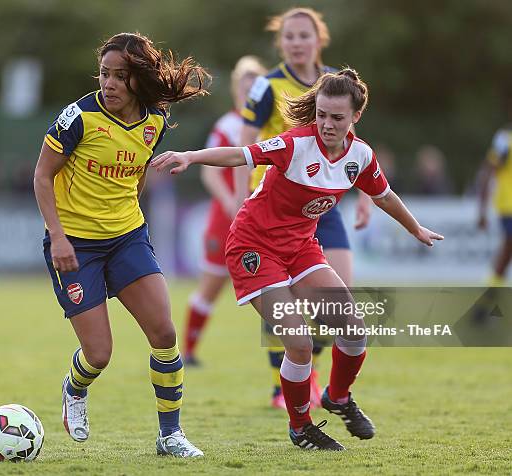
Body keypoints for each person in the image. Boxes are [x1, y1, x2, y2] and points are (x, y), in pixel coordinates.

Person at [152, 68, 443, 450]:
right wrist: (191, 156)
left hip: (301, 247)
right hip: (253, 247)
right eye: (321, 114)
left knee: (354, 329)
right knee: (300, 343)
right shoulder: (295, 144)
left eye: (337, 117)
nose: (326, 124)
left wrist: (415, 228)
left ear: (356, 116)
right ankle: (301, 426)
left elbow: (384, 195)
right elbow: (241, 155)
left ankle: (338, 398)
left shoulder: (360, 156)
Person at [33, 32, 210, 457]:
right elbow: (41, 176)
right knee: (99, 354)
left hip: (128, 237)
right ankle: (74, 389)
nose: (108, 83)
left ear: (138, 79)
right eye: (104, 74)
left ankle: (171, 436)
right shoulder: (77, 118)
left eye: (119, 76)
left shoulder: (155, 122)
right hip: (75, 245)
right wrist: (57, 236)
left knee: (164, 332)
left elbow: (135, 173)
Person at [237, 7, 372, 409]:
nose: (296, 43)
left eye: (303, 36)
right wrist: (240, 193)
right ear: (281, 43)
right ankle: (285, 383)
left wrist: (366, 198)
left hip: (323, 204)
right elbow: (245, 140)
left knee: (338, 297)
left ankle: (317, 381)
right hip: (276, 204)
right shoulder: (266, 86)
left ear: (319, 39)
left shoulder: (337, 83)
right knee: (283, 298)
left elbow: (356, 149)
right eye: (289, 37)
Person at [183, 56, 267, 366]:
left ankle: (287, 363)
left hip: (265, 220)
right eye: (243, 88)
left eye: (255, 88)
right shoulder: (228, 126)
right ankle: (187, 353)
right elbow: (209, 172)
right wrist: (233, 201)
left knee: (276, 289)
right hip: (226, 220)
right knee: (211, 285)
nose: (248, 94)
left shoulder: (271, 126)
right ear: (235, 90)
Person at [477, 121, 512, 287]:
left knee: (506, 252)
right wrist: (482, 210)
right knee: (507, 251)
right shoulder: (504, 139)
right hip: (509, 205)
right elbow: (488, 172)